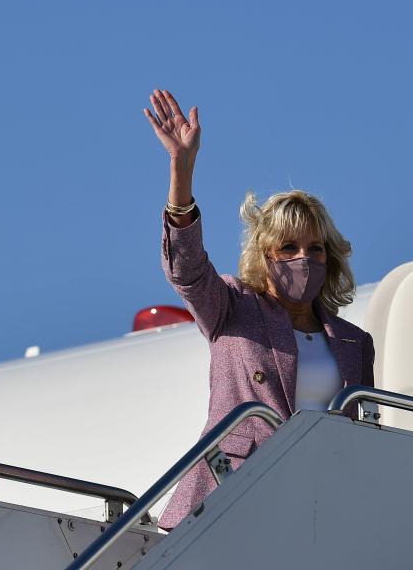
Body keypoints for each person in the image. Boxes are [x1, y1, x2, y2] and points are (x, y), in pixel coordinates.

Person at [144, 89, 375, 530]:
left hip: (317, 507)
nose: (303, 258)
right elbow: (187, 270)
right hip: (231, 497)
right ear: (264, 254)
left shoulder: (354, 342)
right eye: (288, 247)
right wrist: (182, 172)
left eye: (315, 248)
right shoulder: (233, 306)